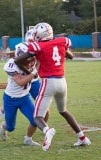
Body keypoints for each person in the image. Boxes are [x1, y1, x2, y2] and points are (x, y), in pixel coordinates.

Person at [15, 22, 91, 151]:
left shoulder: (37, 46)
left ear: (39, 34)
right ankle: (83, 138)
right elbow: (70, 56)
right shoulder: (62, 41)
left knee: (37, 116)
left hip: (48, 82)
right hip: (62, 82)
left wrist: (30, 72)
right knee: (63, 111)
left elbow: (18, 60)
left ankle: (47, 130)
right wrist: (60, 51)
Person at [0, 29, 49, 141]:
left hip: (25, 98)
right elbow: (21, 82)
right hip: (11, 99)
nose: (30, 63)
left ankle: (32, 138)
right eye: (27, 60)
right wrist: (35, 72)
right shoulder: (11, 65)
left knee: (35, 120)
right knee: (10, 127)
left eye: (32, 59)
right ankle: (3, 126)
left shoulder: (33, 60)